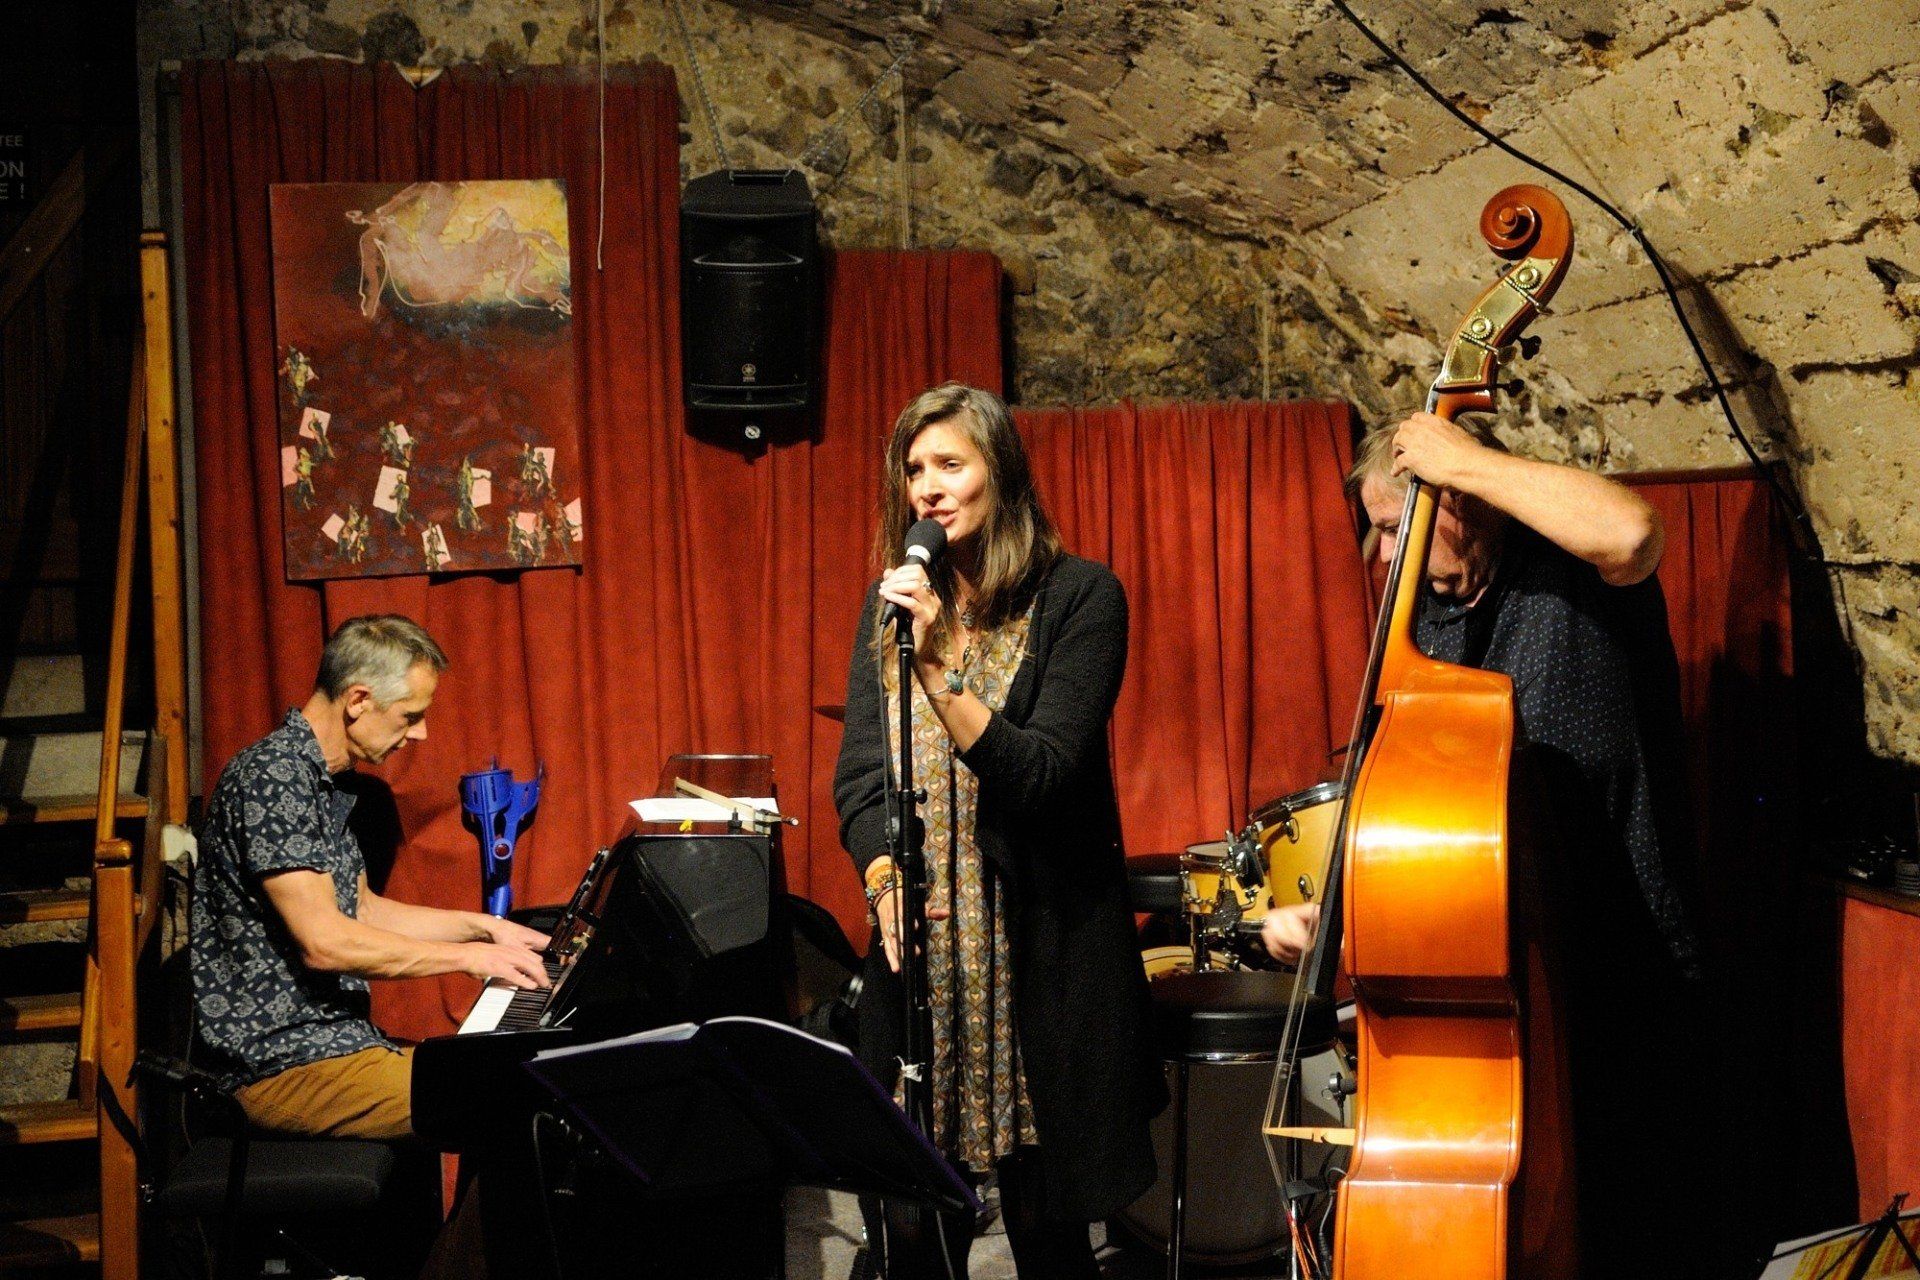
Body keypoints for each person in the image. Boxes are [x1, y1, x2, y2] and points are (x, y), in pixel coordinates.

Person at [1263, 411, 1717, 1276]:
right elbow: (1421, 812)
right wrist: (1337, 914)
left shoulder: (1572, 570)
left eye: (1394, 525)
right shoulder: (1423, 631)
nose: (1381, 554)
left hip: (1626, 956)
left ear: (1458, 505)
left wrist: (1464, 461)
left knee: (1638, 1230)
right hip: (1505, 976)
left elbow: (1634, 533)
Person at [833, 383, 1165, 1279]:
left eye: (951, 464)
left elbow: (1043, 773)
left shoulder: (1082, 598)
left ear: (1001, 474)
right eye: (914, 469)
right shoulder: (890, 608)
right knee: (911, 1234)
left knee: (1046, 1232)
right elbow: (860, 777)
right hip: (924, 963)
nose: (927, 488)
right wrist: (882, 879)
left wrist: (940, 668)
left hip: (1036, 960)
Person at [190, 614, 550, 1139]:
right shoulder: (272, 778)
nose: (420, 733)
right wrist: (469, 958)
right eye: (410, 716)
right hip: (280, 1063)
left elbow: (362, 910)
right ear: (358, 700)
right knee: (516, 1091)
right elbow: (325, 943)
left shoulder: (321, 781)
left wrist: (487, 929)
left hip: (334, 1044)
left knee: (515, 1077)